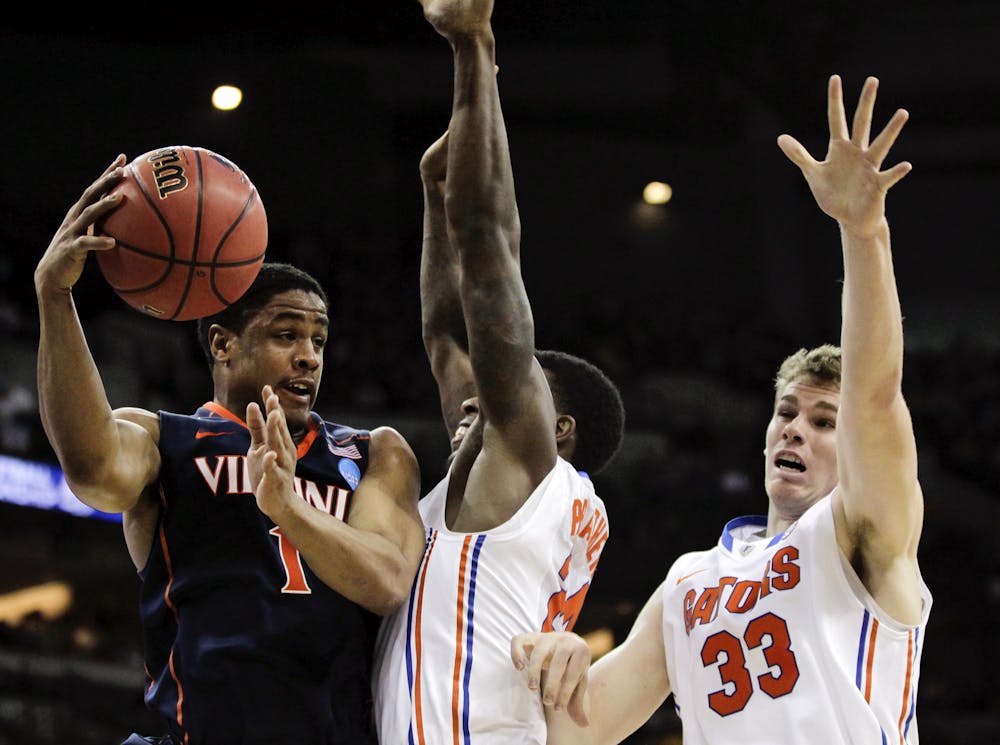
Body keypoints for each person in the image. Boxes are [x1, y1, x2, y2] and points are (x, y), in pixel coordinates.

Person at [511, 74, 933, 744]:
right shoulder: (689, 579)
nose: (796, 427)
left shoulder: (864, 531)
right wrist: (553, 657)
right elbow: (577, 731)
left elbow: (876, 396)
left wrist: (864, 231)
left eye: (825, 421)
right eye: (787, 412)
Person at [33, 173, 427, 745]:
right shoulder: (164, 440)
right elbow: (91, 471)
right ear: (223, 344)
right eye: (286, 335)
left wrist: (290, 510)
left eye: (318, 340)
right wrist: (55, 296)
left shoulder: (373, 452)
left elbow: (388, 580)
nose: (309, 357)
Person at [371, 1, 626, 742]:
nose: (484, 386)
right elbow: (446, 332)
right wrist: (431, 193)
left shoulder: (525, 463)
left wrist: (472, 46)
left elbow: (488, 245)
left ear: (560, 426)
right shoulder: (508, 489)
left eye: (516, 378)